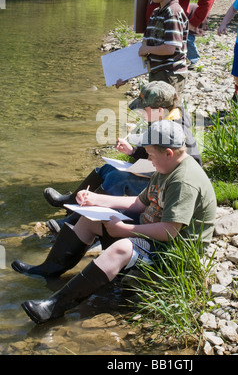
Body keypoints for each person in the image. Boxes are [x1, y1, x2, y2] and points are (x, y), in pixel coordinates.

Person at [11, 120, 217, 325]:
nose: (149, 160)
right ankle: (49, 269)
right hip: (155, 227)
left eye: (150, 155)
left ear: (169, 153)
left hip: (174, 251)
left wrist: (125, 230)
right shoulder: (166, 167)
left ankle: (54, 306)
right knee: (90, 219)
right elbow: (139, 203)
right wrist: (97, 200)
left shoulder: (183, 181)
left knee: (121, 248)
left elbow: (170, 231)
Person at [44, 80, 202, 233]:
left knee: (117, 178)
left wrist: (152, 170)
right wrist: (132, 151)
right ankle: (71, 202)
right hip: (158, 178)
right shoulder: (163, 118)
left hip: (167, 190)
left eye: (143, 110)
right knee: (108, 169)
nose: (140, 113)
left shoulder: (177, 130)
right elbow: (155, 152)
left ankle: (74, 220)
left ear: (159, 110)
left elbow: (188, 170)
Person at [138, 0, 189, 98]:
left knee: (166, 114)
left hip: (170, 74)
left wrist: (146, 49)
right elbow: (145, 46)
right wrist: (124, 75)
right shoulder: (156, 12)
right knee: (156, 114)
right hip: (156, 71)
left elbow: (170, 48)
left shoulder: (173, 13)